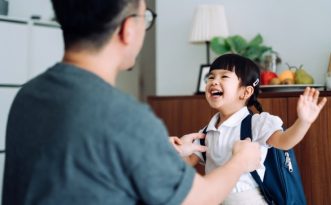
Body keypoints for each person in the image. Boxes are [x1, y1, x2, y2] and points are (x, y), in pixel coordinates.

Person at [2, 1, 262, 205]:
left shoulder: (29, 95)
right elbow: (196, 199)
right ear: (128, 28)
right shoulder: (125, 117)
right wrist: (240, 161)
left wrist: (160, 155)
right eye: (144, 18)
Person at [183, 53, 327, 205]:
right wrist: (179, 150)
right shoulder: (207, 131)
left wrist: (303, 122)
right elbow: (188, 160)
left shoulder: (257, 124)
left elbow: (284, 142)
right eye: (211, 77)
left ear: (245, 92)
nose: (214, 82)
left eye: (224, 77)